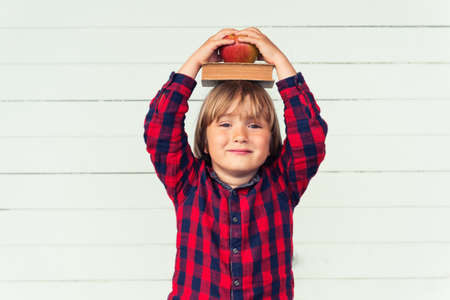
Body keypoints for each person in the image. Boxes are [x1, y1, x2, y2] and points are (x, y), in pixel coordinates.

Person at [143, 27, 328, 300]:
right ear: (204, 141)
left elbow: (309, 139)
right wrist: (195, 63)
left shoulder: (282, 184)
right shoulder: (187, 183)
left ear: (271, 140)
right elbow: (161, 128)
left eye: (254, 125)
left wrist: (279, 62)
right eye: (226, 124)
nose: (240, 136)